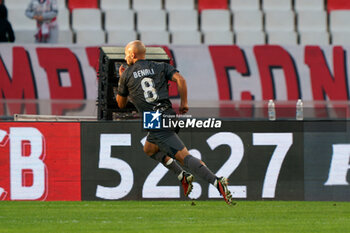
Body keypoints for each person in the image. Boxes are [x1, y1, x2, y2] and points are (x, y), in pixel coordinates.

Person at [116, 40, 233, 205]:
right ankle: (182, 175)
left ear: (133, 55)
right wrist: (184, 103)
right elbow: (181, 80)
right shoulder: (159, 66)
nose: (126, 57)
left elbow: (120, 104)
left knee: (184, 156)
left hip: (155, 120)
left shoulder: (127, 74)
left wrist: (122, 79)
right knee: (149, 149)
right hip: (169, 116)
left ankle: (216, 181)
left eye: (127, 54)